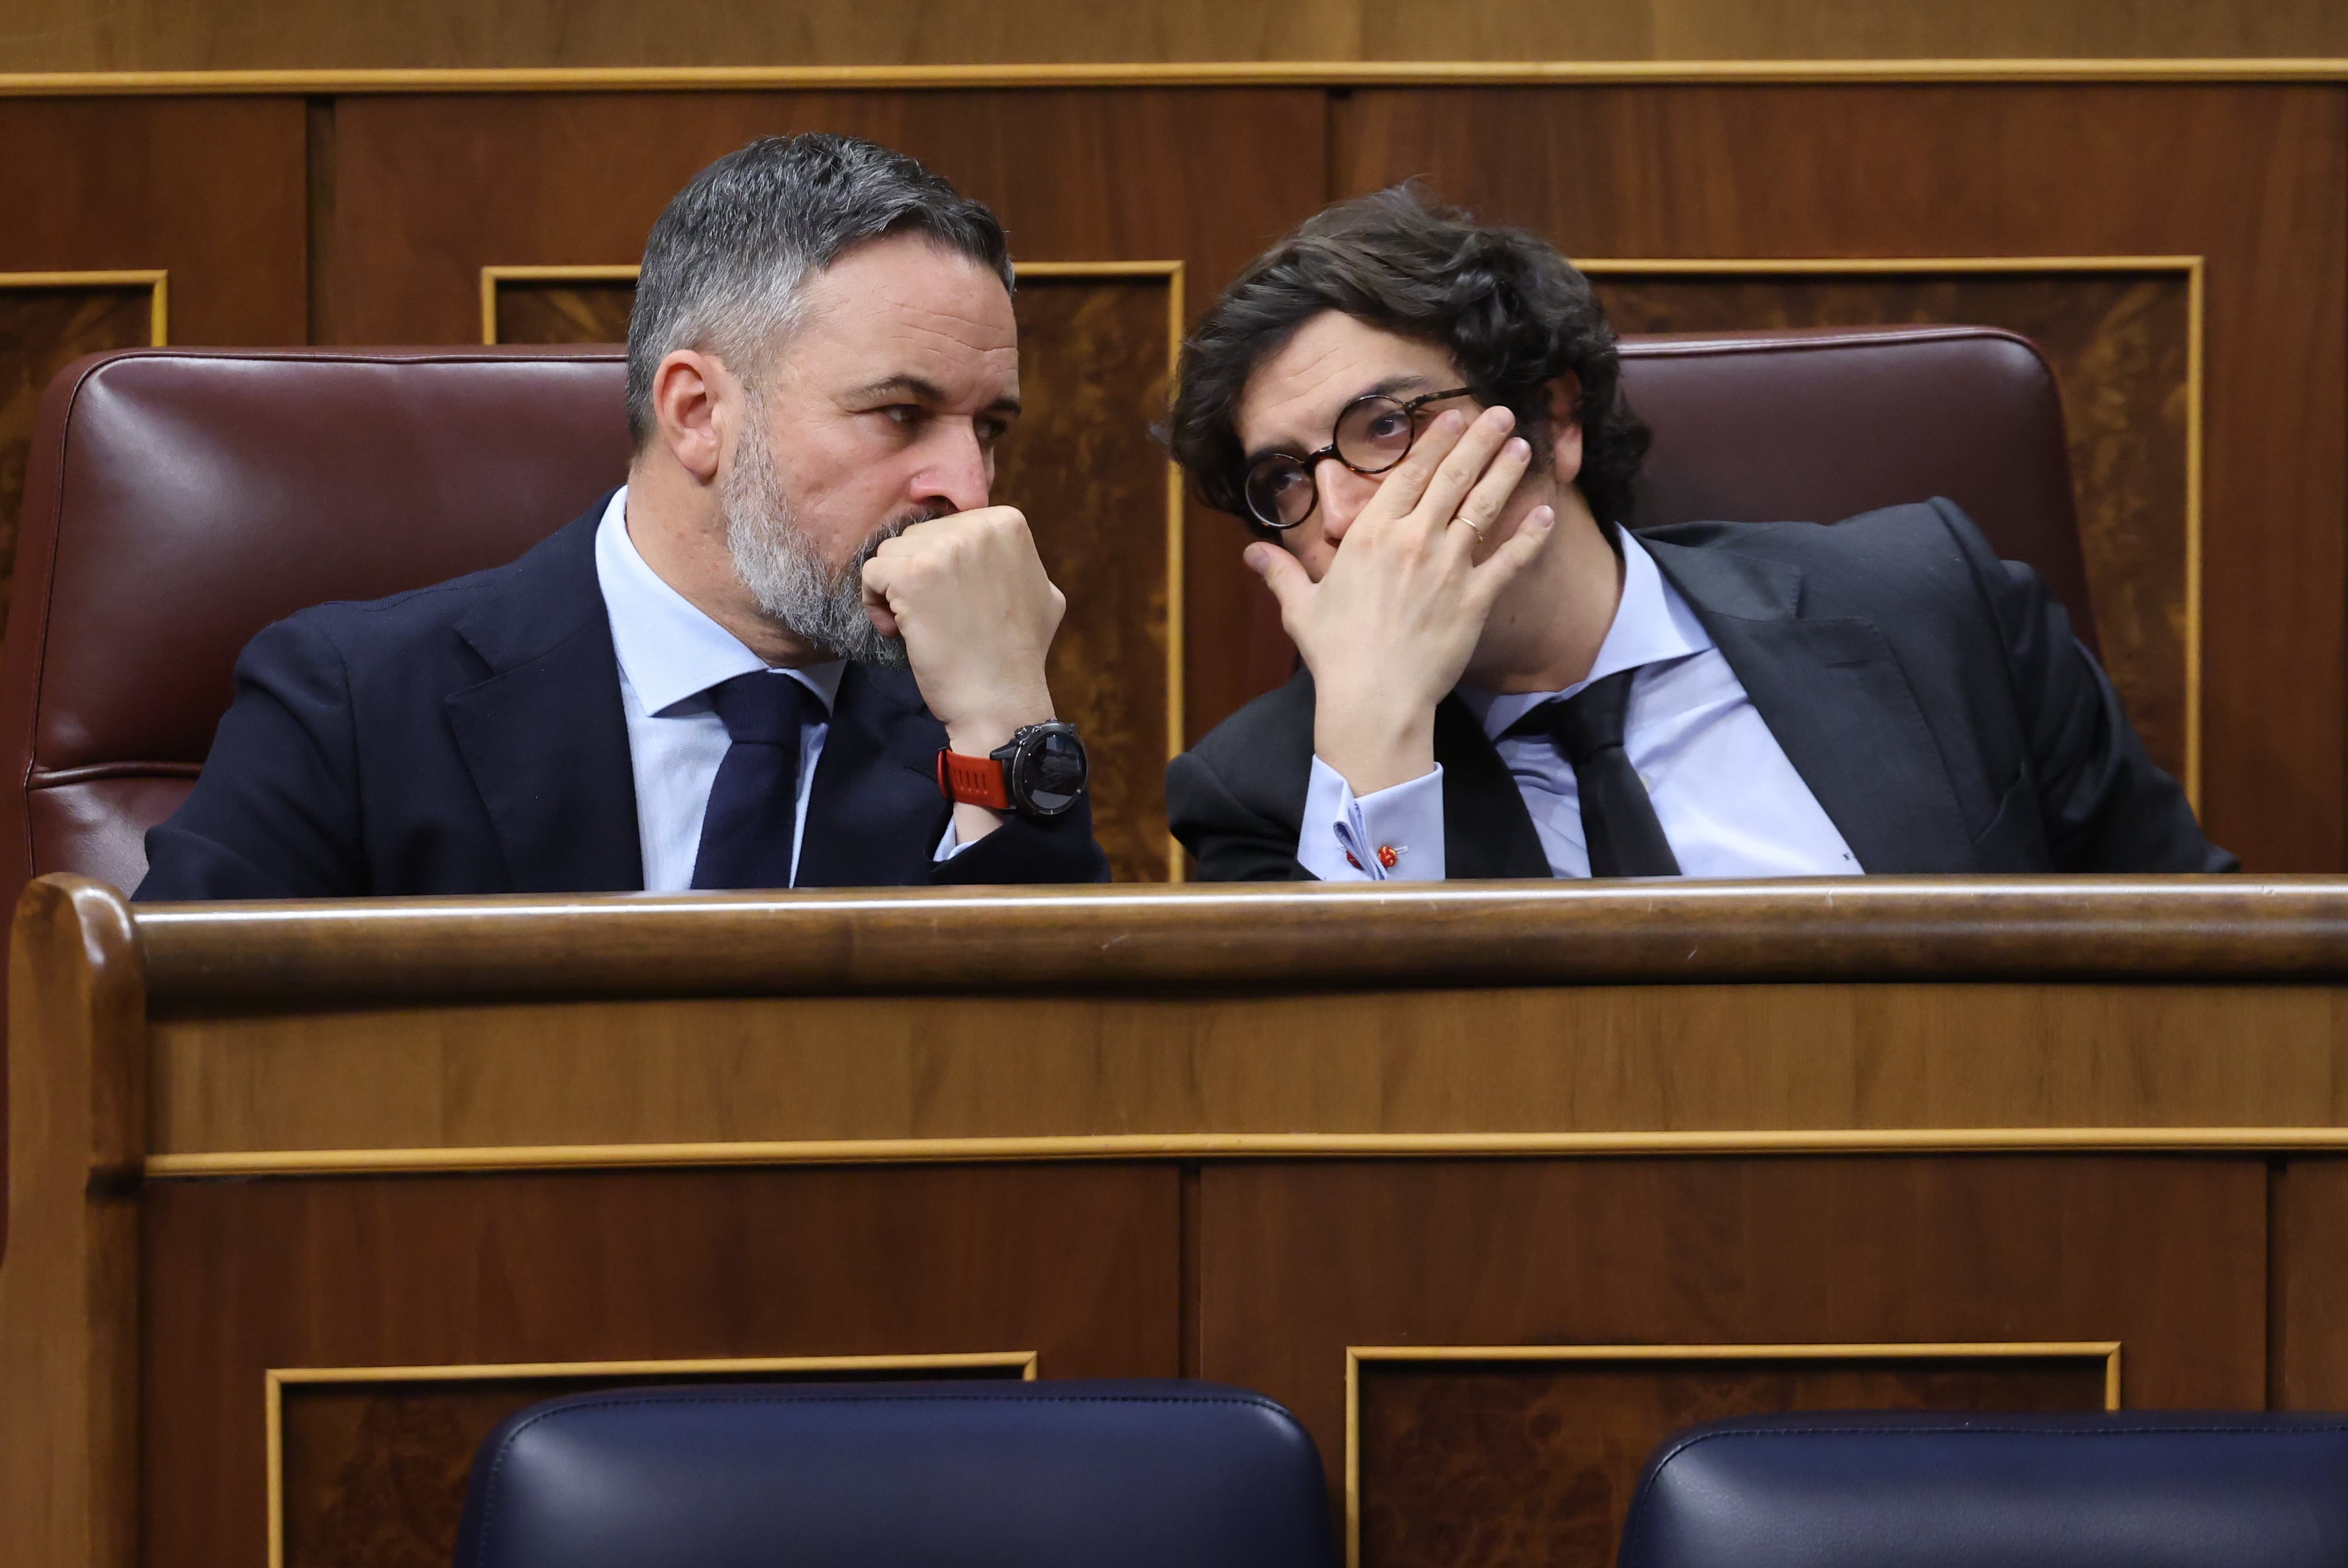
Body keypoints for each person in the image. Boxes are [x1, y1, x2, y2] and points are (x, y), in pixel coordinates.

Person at [1162, 186, 2232, 883]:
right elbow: (1345, 1130)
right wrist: (1381, 736)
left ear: (1558, 420)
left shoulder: (1937, 610)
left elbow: (2204, 971)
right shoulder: (1264, 796)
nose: (1343, 513)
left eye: (1387, 425)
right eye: (1284, 480)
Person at [137, 134, 1108, 900]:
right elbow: (169, 1070)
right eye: (900, 413)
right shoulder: (353, 707)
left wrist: (1005, 724)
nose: (970, 491)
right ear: (697, 414)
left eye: (988, 429)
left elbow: (1074, 1091)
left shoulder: (969, 726)